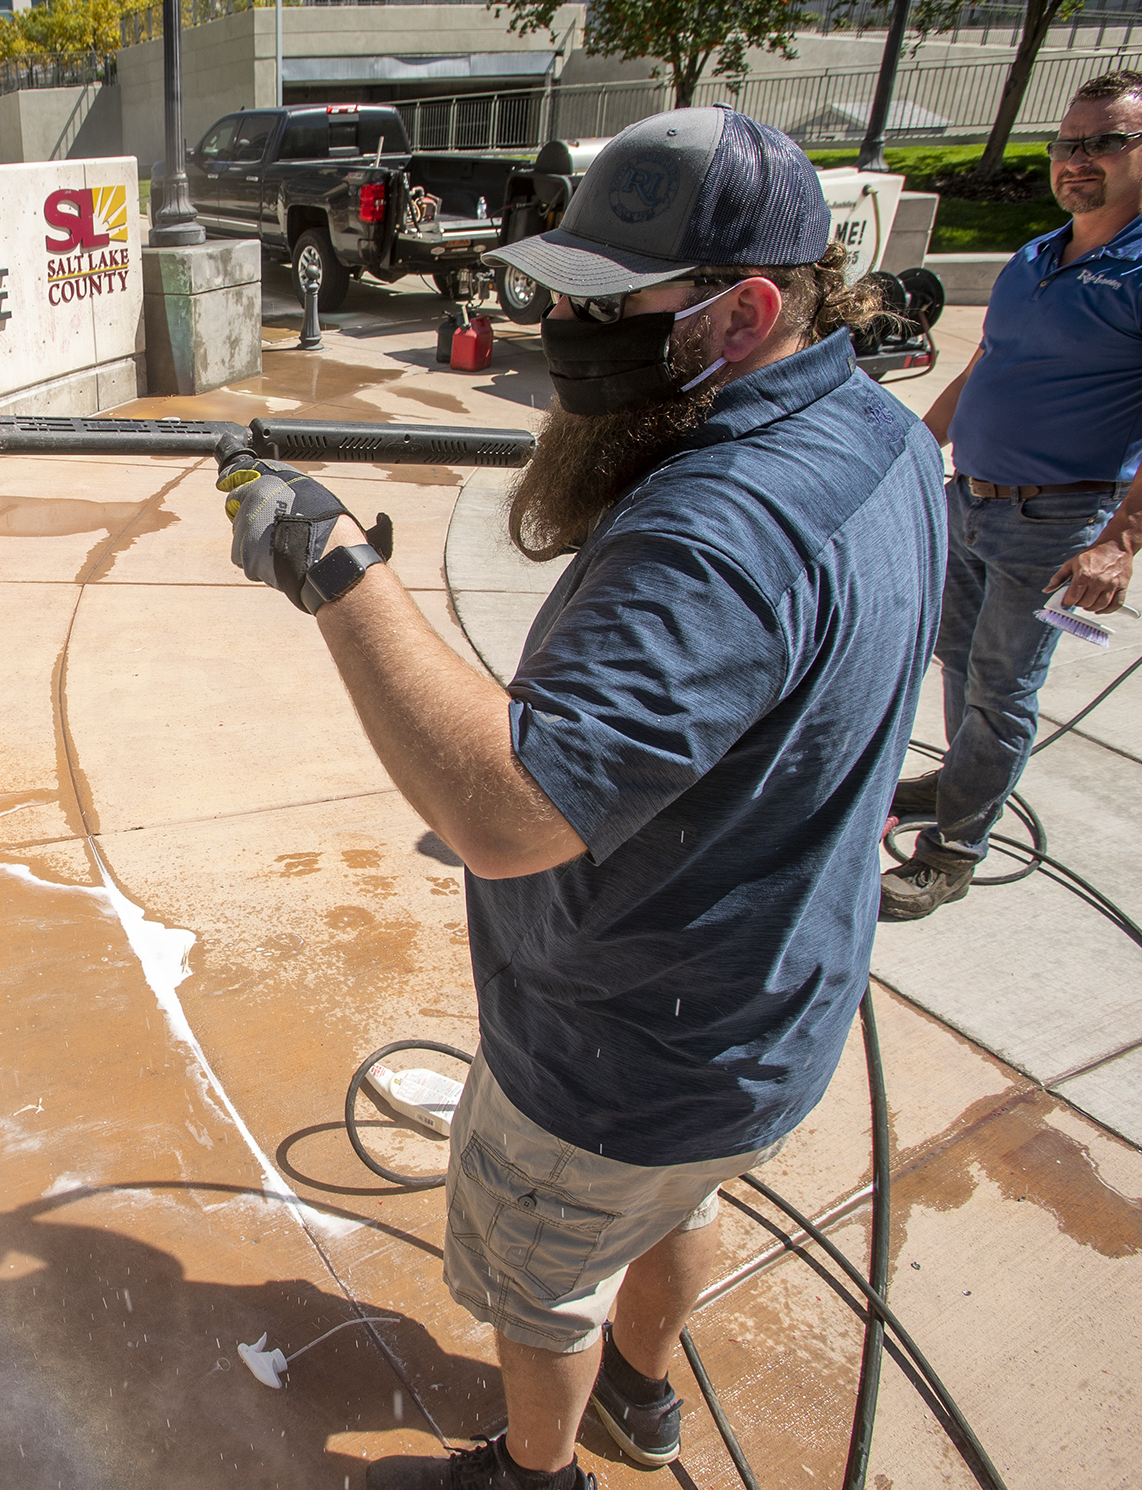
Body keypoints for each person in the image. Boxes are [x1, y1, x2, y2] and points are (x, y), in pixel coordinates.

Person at [216, 107, 945, 1490]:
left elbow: (507, 810)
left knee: (544, 1281)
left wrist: (328, 566)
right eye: (560, 284)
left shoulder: (717, 533)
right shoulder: (882, 435)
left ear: (743, 311)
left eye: (611, 300)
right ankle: (643, 1397)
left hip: (622, 1049)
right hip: (765, 1020)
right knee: (681, 1207)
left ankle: (530, 1469)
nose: (564, 322)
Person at [880, 69, 1142, 921]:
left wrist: (1120, 542)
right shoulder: (1035, 257)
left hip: (1058, 522)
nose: (1077, 160)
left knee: (1004, 687)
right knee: (964, 663)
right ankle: (957, 780)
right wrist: (913, 452)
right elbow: (986, 368)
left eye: (1104, 142)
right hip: (970, 502)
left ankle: (954, 849)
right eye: (1067, 143)